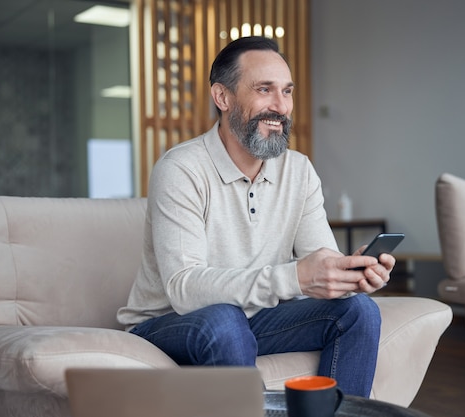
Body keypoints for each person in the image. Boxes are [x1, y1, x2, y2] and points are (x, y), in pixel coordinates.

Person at [117, 36, 395, 398]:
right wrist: (294, 277)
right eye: (265, 89)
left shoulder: (299, 170)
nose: (281, 106)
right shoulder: (181, 169)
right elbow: (184, 290)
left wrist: (349, 274)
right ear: (223, 97)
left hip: (254, 319)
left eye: (287, 91)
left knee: (359, 311)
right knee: (224, 319)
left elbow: (320, 259)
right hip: (169, 324)